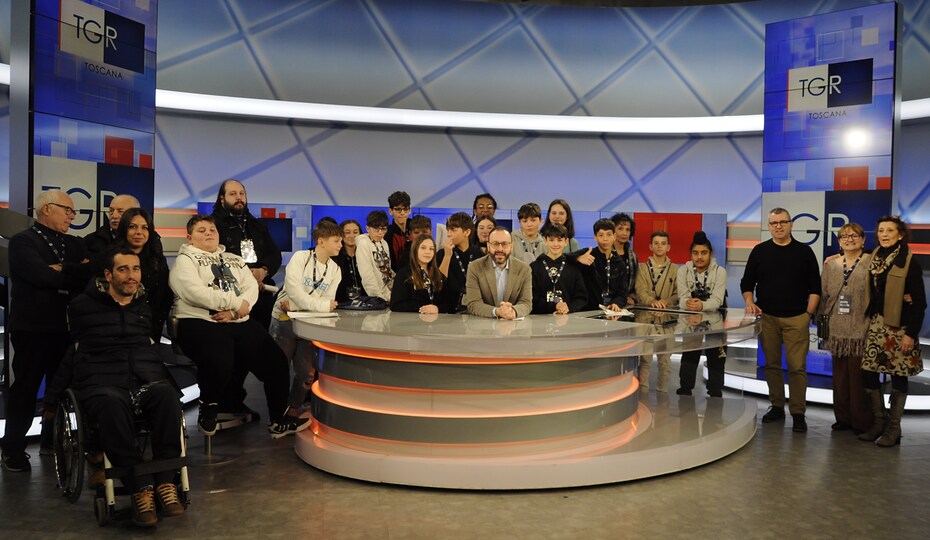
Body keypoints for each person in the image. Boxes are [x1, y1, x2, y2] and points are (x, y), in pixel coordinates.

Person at [44, 249, 185, 527]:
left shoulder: (143, 306)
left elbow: (149, 349)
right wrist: (52, 398)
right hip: (101, 381)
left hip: (142, 379)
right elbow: (74, 351)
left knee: (167, 396)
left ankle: (165, 482)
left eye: (135, 269)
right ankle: (140, 486)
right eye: (123, 269)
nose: (131, 275)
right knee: (111, 404)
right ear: (108, 275)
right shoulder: (83, 305)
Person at [169, 215, 308, 439]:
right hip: (200, 320)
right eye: (201, 230)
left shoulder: (234, 259)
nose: (208, 233)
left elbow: (250, 287)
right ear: (189, 238)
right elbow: (193, 292)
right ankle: (209, 406)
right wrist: (235, 304)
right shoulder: (185, 260)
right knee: (221, 356)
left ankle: (278, 419)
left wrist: (237, 311)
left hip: (238, 319)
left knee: (275, 361)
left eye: (212, 229)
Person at [2, 190, 90, 473]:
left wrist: (61, 268)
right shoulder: (23, 241)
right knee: (25, 388)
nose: (72, 216)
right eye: (68, 210)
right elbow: (40, 276)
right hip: (32, 328)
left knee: (60, 388)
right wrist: (71, 274)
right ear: (47, 209)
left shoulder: (74, 244)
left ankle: (52, 441)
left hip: (65, 327)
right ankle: (13, 448)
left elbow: (89, 274)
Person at [741, 207, 821, 433]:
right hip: (767, 318)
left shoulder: (804, 252)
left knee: (797, 368)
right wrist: (749, 301)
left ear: (791, 224)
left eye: (783, 222)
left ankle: (798, 413)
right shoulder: (760, 251)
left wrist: (807, 315)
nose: (778, 226)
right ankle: (776, 406)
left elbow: (816, 287)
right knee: (772, 365)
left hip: (797, 318)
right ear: (769, 226)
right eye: (774, 223)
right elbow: (747, 283)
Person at [859, 216, 926, 447]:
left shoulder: (909, 261)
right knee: (868, 371)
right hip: (877, 324)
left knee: (898, 375)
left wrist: (911, 335)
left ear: (900, 235)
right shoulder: (875, 256)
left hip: (901, 327)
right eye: (881, 230)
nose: (884, 234)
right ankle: (879, 422)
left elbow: (920, 302)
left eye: (890, 230)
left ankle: (894, 428)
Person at [270, 221, 343, 416]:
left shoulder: (335, 270)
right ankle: (277, 413)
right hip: (284, 320)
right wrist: (319, 306)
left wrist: (298, 306)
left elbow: (327, 303)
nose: (340, 245)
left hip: (310, 323)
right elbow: (293, 290)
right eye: (336, 241)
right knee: (278, 369)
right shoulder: (301, 258)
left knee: (307, 373)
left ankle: (293, 408)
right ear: (321, 241)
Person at [818, 223, 872, 434]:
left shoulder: (870, 262)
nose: (849, 239)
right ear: (839, 241)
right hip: (836, 328)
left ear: (863, 239)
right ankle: (842, 418)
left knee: (858, 378)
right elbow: (824, 296)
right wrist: (822, 326)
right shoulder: (831, 265)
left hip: (861, 326)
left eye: (854, 235)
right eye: (844, 236)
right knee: (839, 377)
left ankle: (861, 421)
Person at [211, 179, 282, 330]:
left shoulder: (257, 225)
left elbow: (274, 254)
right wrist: (247, 280)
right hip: (230, 296)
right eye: (233, 194)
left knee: (260, 336)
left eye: (242, 193)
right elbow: (212, 260)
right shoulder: (212, 226)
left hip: (261, 293)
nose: (239, 197)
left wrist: (263, 271)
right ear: (222, 199)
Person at [676, 232, 728, 397]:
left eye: (703, 253)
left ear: (710, 254)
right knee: (690, 352)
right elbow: (682, 297)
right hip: (691, 317)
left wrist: (702, 305)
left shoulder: (720, 271)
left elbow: (718, 300)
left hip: (716, 318)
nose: (699, 257)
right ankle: (685, 388)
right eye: (695, 253)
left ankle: (715, 390)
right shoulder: (683, 270)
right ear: (690, 254)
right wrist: (688, 303)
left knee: (716, 354)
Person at [111, 208, 173, 341]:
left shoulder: (158, 260)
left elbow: (164, 296)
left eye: (144, 228)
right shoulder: (111, 257)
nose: (139, 232)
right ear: (124, 229)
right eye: (132, 227)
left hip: (150, 327)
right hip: (116, 326)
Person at [635, 231, 679, 392]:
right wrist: (652, 302)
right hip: (646, 320)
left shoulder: (675, 269)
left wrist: (666, 302)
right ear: (650, 246)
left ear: (668, 247)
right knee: (645, 360)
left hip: (667, 321)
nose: (659, 246)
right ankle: (642, 392)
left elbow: (678, 293)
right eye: (656, 243)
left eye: (663, 243)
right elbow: (640, 290)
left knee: (665, 361)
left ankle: (662, 392)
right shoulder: (643, 268)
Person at [464, 227, 533, 319]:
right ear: (488, 246)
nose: (500, 249)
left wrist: (513, 311)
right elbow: (473, 303)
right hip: (482, 323)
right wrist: (497, 311)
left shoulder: (524, 269)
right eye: (495, 244)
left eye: (505, 244)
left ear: (511, 246)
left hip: (513, 324)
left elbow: (526, 303)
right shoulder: (475, 267)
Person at [530, 223, 588, 315]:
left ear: (566, 241)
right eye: (551, 240)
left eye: (560, 240)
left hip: (568, 317)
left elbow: (581, 298)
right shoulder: (535, 267)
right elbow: (532, 298)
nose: (555, 244)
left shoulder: (573, 267)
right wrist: (554, 306)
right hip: (541, 318)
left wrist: (568, 308)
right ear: (545, 240)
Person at [574, 218, 629, 311]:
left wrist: (616, 303)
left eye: (609, 234)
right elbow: (565, 257)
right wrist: (578, 258)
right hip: (588, 311)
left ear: (614, 236)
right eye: (601, 235)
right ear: (595, 237)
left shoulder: (619, 262)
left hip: (610, 311)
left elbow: (622, 293)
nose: (605, 239)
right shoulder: (588, 254)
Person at [391, 235, 454, 314]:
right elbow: (396, 305)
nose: (427, 252)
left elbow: (449, 303)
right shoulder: (403, 274)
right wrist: (423, 308)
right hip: (413, 320)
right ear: (415, 250)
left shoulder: (438, 274)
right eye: (423, 248)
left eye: (431, 249)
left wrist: (437, 308)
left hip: (436, 319)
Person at [437, 212, 481, 312]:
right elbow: (438, 283)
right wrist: (447, 256)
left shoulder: (478, 255)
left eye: (453, 230)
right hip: (446, 309)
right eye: (448, 230)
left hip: (473, 308)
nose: (449, 234)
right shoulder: (441, 254)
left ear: (467, 232)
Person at [355, 210, 394, 302]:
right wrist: (379, 298)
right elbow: (367, 275)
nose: (380, 232)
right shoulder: (363, 244)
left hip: (389, 294)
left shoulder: (384, 243)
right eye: (376, 229)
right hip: (376, 297)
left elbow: (388, 270)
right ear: (367, 228)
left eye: (383, 229)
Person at [334, 219, 367, 302]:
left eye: (355, 232)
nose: (352, 236)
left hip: (364, 302)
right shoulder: (335, 258)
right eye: (347, 232)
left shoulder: (365, 255)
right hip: (341, 303)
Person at [611, 213, 638, 305]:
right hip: (607, 302)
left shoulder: (633, 256)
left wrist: (632, 297)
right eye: (620, 228)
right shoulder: (605, 253)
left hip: (627, 303)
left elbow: (635, 282)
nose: (624, 233)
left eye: (627, 229)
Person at [386, 191, 411, 271]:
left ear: (409, 210)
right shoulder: (387, 234)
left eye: (405, 209)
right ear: (390, 211)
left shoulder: (416, 229)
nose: (402, 213)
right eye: (398, 209)